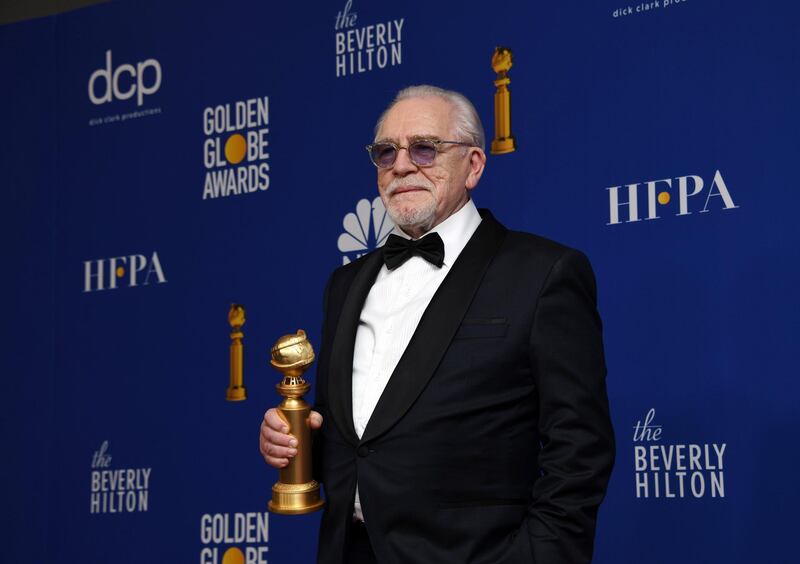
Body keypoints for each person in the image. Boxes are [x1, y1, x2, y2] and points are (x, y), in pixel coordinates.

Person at [260, 85, 615, 564]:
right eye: (386, 152)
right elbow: (364, 440)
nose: (402, 165)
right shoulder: (345, 284)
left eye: (424, 148)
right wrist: (296, 438)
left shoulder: (543, 273)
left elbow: (581, 451)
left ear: (473, 166)